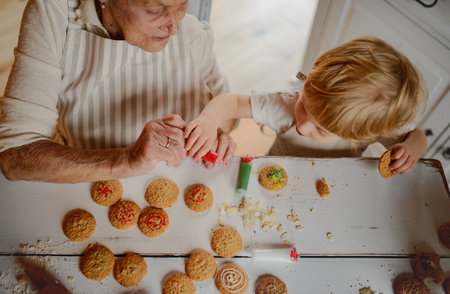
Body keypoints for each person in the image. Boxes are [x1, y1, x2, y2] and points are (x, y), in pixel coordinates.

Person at [0, 0, 236, 183]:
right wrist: (126, 160)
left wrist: (211, 129)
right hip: (85, 182)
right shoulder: (56, 14)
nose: (174, 27)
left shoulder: (191, 32)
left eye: (182, 4)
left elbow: (229, 113)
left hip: (182, 183)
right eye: (155, 9)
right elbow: (14, 156)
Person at [184, 36, 428, 175]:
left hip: (331, 183)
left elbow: (415, 135)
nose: (301, 127)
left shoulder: (368, 124)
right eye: (304, 106)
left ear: (364, 134)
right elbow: (233, 102)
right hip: (275, 173)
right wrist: (208, 120)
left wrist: (412, 150)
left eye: (321, 130)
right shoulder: (286, 104)